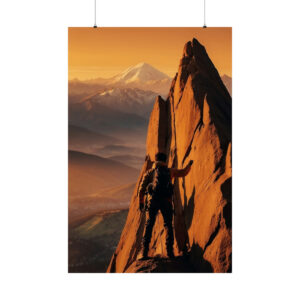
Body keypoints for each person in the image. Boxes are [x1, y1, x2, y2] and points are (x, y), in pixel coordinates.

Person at [138, 152, 193, 260]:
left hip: (153, 201)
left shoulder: (149, 172)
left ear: (155, 160)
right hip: (166, 201)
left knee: (149, 224)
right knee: (168, 225)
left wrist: (141, 202)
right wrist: (189, 165)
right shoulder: (170, 171)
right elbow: (184, 172)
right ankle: (169, 252)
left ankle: (144, 252)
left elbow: (141, 189)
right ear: (165, 161)